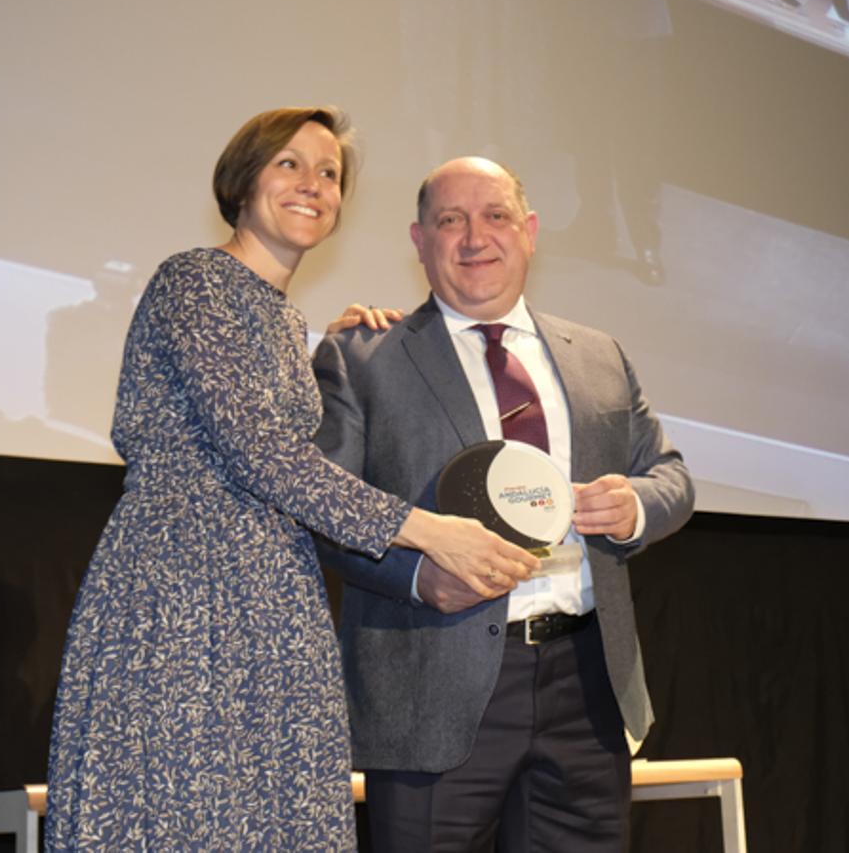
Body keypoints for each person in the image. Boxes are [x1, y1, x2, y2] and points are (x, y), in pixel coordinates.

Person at [44, 110, 537, 851]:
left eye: (329, 173)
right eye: (288, 164)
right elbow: (258, 452)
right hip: (186, 591)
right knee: (182, 813)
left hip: (273, 597)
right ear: (242, 181)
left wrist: (328, 344)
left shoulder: (281, 318)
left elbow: (268, 430)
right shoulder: (196, 281)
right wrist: (427, 529)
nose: (312, 184)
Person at [314, 155, 695, 851]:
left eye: (494, 216)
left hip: (586, 688)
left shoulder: (599, 355)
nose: (473, 237)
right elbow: (324, 514)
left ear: (529, 231)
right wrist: (416, 577)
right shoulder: (363, 358)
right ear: (417, 240)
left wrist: (634, 504)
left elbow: (670, 475)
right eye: (449, 221)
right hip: (432, 690)